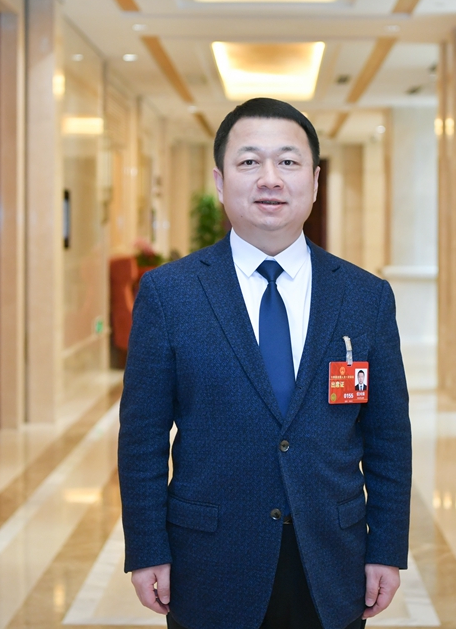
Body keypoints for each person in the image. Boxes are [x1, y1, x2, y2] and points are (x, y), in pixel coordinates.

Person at [118, 98, 411, 629]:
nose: (270, 178)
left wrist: (387, 548)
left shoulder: (365, 297)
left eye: (288, 162)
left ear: (314, 182)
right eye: (250, 161)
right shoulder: (169, 294)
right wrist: (146, 548)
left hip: (333, 562)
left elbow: (389, 437)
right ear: (220, 180)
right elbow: (141, 437)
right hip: (208, 564)